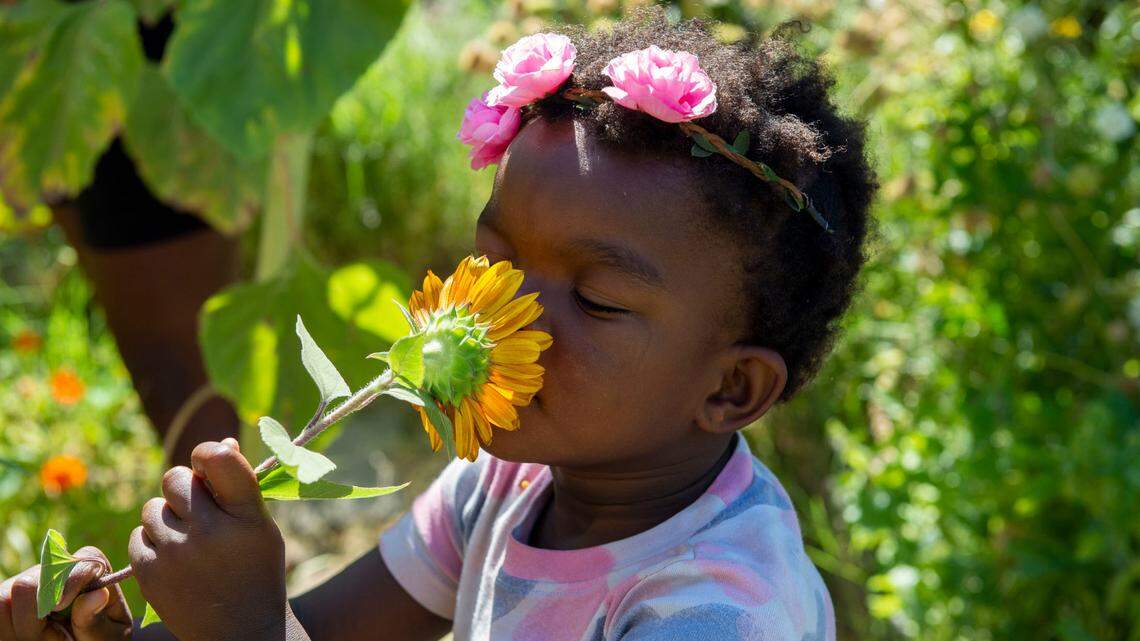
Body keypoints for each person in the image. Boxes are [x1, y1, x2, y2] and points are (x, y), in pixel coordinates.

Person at [0, 8, 876, 640]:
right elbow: (328, 626)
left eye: (598, 298)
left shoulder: (720, 610)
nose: (503, 320)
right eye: (495, 261)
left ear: (730, 387)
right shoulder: (513, 481)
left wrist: (247, 624)